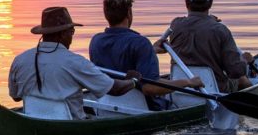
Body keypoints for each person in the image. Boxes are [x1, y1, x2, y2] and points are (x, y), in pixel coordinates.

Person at [9, 6, 168, 120]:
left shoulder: (20, 60)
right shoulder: (75, 62)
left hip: (34, 118)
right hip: (70, 123)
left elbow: (16, 97)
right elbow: (114, 89)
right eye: (72, 32)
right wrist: (133, 81)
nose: (72, 36)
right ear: (64, 34)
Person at [89, 0, 203, 110]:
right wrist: (188, 82)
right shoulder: (141, 43)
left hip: (106, 106)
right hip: (140, 107)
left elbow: (118, 59)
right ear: (129, 13)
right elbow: (150, 88)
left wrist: (151, 50)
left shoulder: (96, 41)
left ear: (106, 14)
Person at [156, 0, 254, 92]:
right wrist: (245, 61)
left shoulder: (175, 25)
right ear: (211, 3)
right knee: (242, 79)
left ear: (186, 3)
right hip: (215, 90)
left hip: (181, 89)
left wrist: (209, 20)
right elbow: (235, 72)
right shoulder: (221, 30)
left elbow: (195, 23)